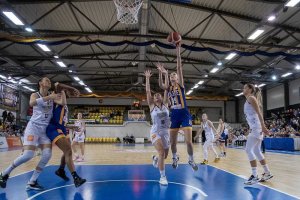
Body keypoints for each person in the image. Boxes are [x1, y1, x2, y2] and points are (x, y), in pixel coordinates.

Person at [0, 77, 60, 190]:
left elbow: (62, 102)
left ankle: (32, 182)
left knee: (47, 155)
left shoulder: (52, 95)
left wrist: (63, 90)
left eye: (49, 81)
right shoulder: (35, 94)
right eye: (46, 80)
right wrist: (50, 97)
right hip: (33, 128)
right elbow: (31, 103)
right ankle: (4, 174)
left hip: (44, 131)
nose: (49, 82)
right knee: (28, 155)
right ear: (40, 83)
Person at [157, 43, 198, 171]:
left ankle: (191, 160)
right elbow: (160, 85)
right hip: (174, 114)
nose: (173, 76)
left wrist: (178, 51)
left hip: (184, 113)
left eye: (174, 75)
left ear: (177, 77)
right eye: (171, 76)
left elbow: (179, 67)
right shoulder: (168, 88)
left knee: (188, 141)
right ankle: (175, 158)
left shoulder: (180, 85)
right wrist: (161, 73)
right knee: (173, 142)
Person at [46, 83, 86, 187]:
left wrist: (72, 127)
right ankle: (76, 177)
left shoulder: (63, 102)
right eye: (65, 91)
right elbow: (58, 85)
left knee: (67, 151)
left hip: (62, 128)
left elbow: (63, 120)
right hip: (54, 128)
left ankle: (61, 170)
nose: (69, 93)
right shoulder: (56, 98)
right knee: (68, 150)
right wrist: (71, 88)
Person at [243, 83, 273, 185]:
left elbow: (259, 113)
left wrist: (263, 126)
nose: (243, 89)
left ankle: (254, 175)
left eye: (245, 88)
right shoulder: (248, 100)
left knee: (248, 149)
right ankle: (267, 172)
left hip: (257, 127)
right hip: (255, 128)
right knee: (256, 151)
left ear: (250, 89)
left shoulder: (251, 98)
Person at [144, 69, 170, 185]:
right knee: (161, 153)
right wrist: (147, 78)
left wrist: (165, 74)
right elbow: (148, 91)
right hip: (155, 132)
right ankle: (162, 177)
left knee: (164, 156)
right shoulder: (151, 106)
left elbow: (166, 88)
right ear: (153, 100)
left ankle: (155, 159)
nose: (157, 96)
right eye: (155, 96)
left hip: (165, 132)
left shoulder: (166, 104)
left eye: (159, 95)